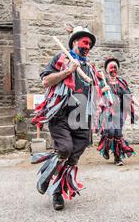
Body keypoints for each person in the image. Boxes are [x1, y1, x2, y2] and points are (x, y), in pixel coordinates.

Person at [31, 25, 104, 211]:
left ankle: (57, 193)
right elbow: (46, 81)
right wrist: (68, 70)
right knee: (64, 149)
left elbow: (95, 89)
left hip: (80, 114)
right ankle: (45, 177)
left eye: (90, 44)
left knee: (72, 158)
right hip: (61, 112)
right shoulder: (61, 59)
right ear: (74, 42)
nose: (87, 46)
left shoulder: (89, 67)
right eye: (84, 42)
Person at [96, 57, 139, 166]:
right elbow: (94, 95)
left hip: (120, 112)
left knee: (117, 134)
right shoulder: (103, 82)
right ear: (107, 70)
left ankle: (117, 158)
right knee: (109, 132)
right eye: (111, 67)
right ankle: (105, 149)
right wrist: (103, 89)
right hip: (107, 111)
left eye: (115, 67)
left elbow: (129, 96)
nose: (113, 69)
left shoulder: (121, 82)